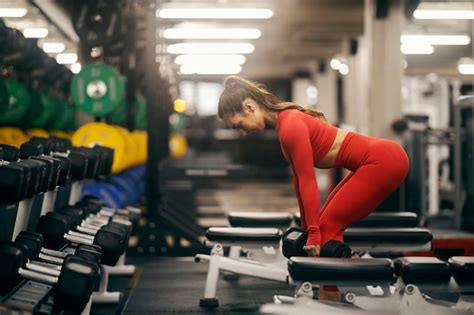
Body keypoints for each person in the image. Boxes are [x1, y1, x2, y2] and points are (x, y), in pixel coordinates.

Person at [217, 76, 409, 300]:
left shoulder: (290, 125)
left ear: (249, 107)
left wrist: (315, 234)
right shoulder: (285, 125)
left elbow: (309, 180)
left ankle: (333, 297)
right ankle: (332, 295)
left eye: (239, 124)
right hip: (377, 161)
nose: (241, 131)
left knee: (327, 226)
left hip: (384, 161)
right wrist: (308, 228)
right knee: (325, 224)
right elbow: (298, 180)